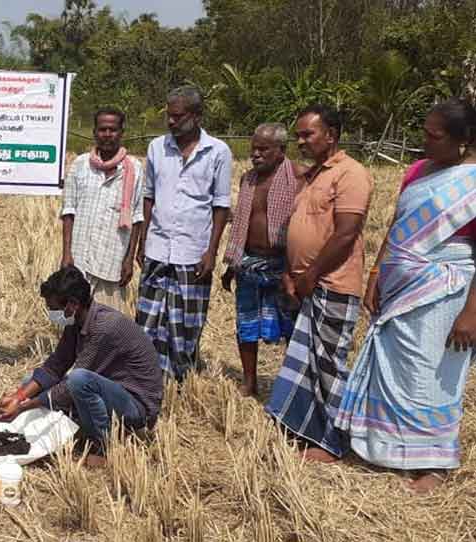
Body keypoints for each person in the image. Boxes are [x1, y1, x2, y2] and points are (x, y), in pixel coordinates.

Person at [335, 99, 476, 493]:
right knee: (394, 368)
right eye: (425, 133)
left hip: (444, 294)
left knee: (430, 374)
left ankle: (431, 461)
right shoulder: (417, 171)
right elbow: (397, 227)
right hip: (399, 286)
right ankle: (383, 447)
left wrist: (471, 314)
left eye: (435, 136)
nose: (425, 142)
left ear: (463, 140)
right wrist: (376, 275)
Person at [266, 104, 373, 463]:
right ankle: (308, 430)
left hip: (333, 284)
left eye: (307, 134)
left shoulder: (351, 174)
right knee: (306, 365)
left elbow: (345, 234)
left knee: (328, 363)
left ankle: (334, 440)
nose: (300, 141)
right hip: (304, 283)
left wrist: (310, 276)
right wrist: (290, 272)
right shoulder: (312, 176)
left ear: (331, 134)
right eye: (298, 134)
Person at [0, 266, 163, 468]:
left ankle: (102, 445)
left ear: (72, 304)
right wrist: (18, 396)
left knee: (78, 380)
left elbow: (71, 386)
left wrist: (23, 406)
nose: (51, 313)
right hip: (110, 389)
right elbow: (55, 366)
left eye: (53, 308)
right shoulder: (77, 321)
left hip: (136, 403)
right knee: (30, 382)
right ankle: (80, 424)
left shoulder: (104, 327)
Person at [135, 85, 232, 380]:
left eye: (178, 117)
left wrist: (211, 251)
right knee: (148, 322)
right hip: (157, 248)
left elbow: (221, 205)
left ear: (197, 116)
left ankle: (181, 379)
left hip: (193, 254)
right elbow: (149, 196)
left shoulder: (218, 152)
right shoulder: (156, 147)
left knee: (186, 325)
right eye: (169, 116)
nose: (171, 122)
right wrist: (142, 242)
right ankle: (148, 378)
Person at [221, 123, 301, 396]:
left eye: (263, 149)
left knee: (291, 327)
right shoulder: (247, 180)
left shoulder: (299, 179)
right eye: (253, 148)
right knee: (246, 326)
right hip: (248, 263)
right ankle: (250, 381)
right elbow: (240, 224)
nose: (255, 154)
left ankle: (292, 385)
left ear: (281, 151)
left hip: (282, 265)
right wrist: (231, 267)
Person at [60, 106, 144, 311]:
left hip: (112, 260)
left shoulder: (134, 169)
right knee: (73, 323)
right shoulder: (80, 165)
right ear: (94, 132)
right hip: (80, 258)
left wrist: (129, 260)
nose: (107, 135)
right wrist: (66, 254)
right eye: (102, 129)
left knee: (106, 326)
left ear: (122, 133)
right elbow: (68, 212)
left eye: (113, 130)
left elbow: (137, 218)